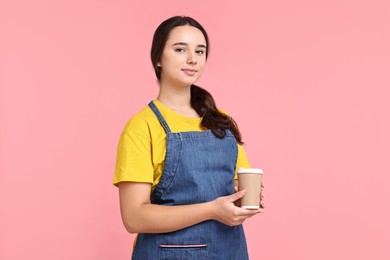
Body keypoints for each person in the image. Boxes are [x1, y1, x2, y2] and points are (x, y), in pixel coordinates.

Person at [113, 15, 265, 259]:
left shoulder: (220, 122)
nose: (193, 59)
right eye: (180, 49)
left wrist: (244, 199)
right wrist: (212, 210)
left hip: (229, 252)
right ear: (158, 58)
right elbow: (134, 217)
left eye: (200, 51)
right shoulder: (142, 127)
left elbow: (239, 183)